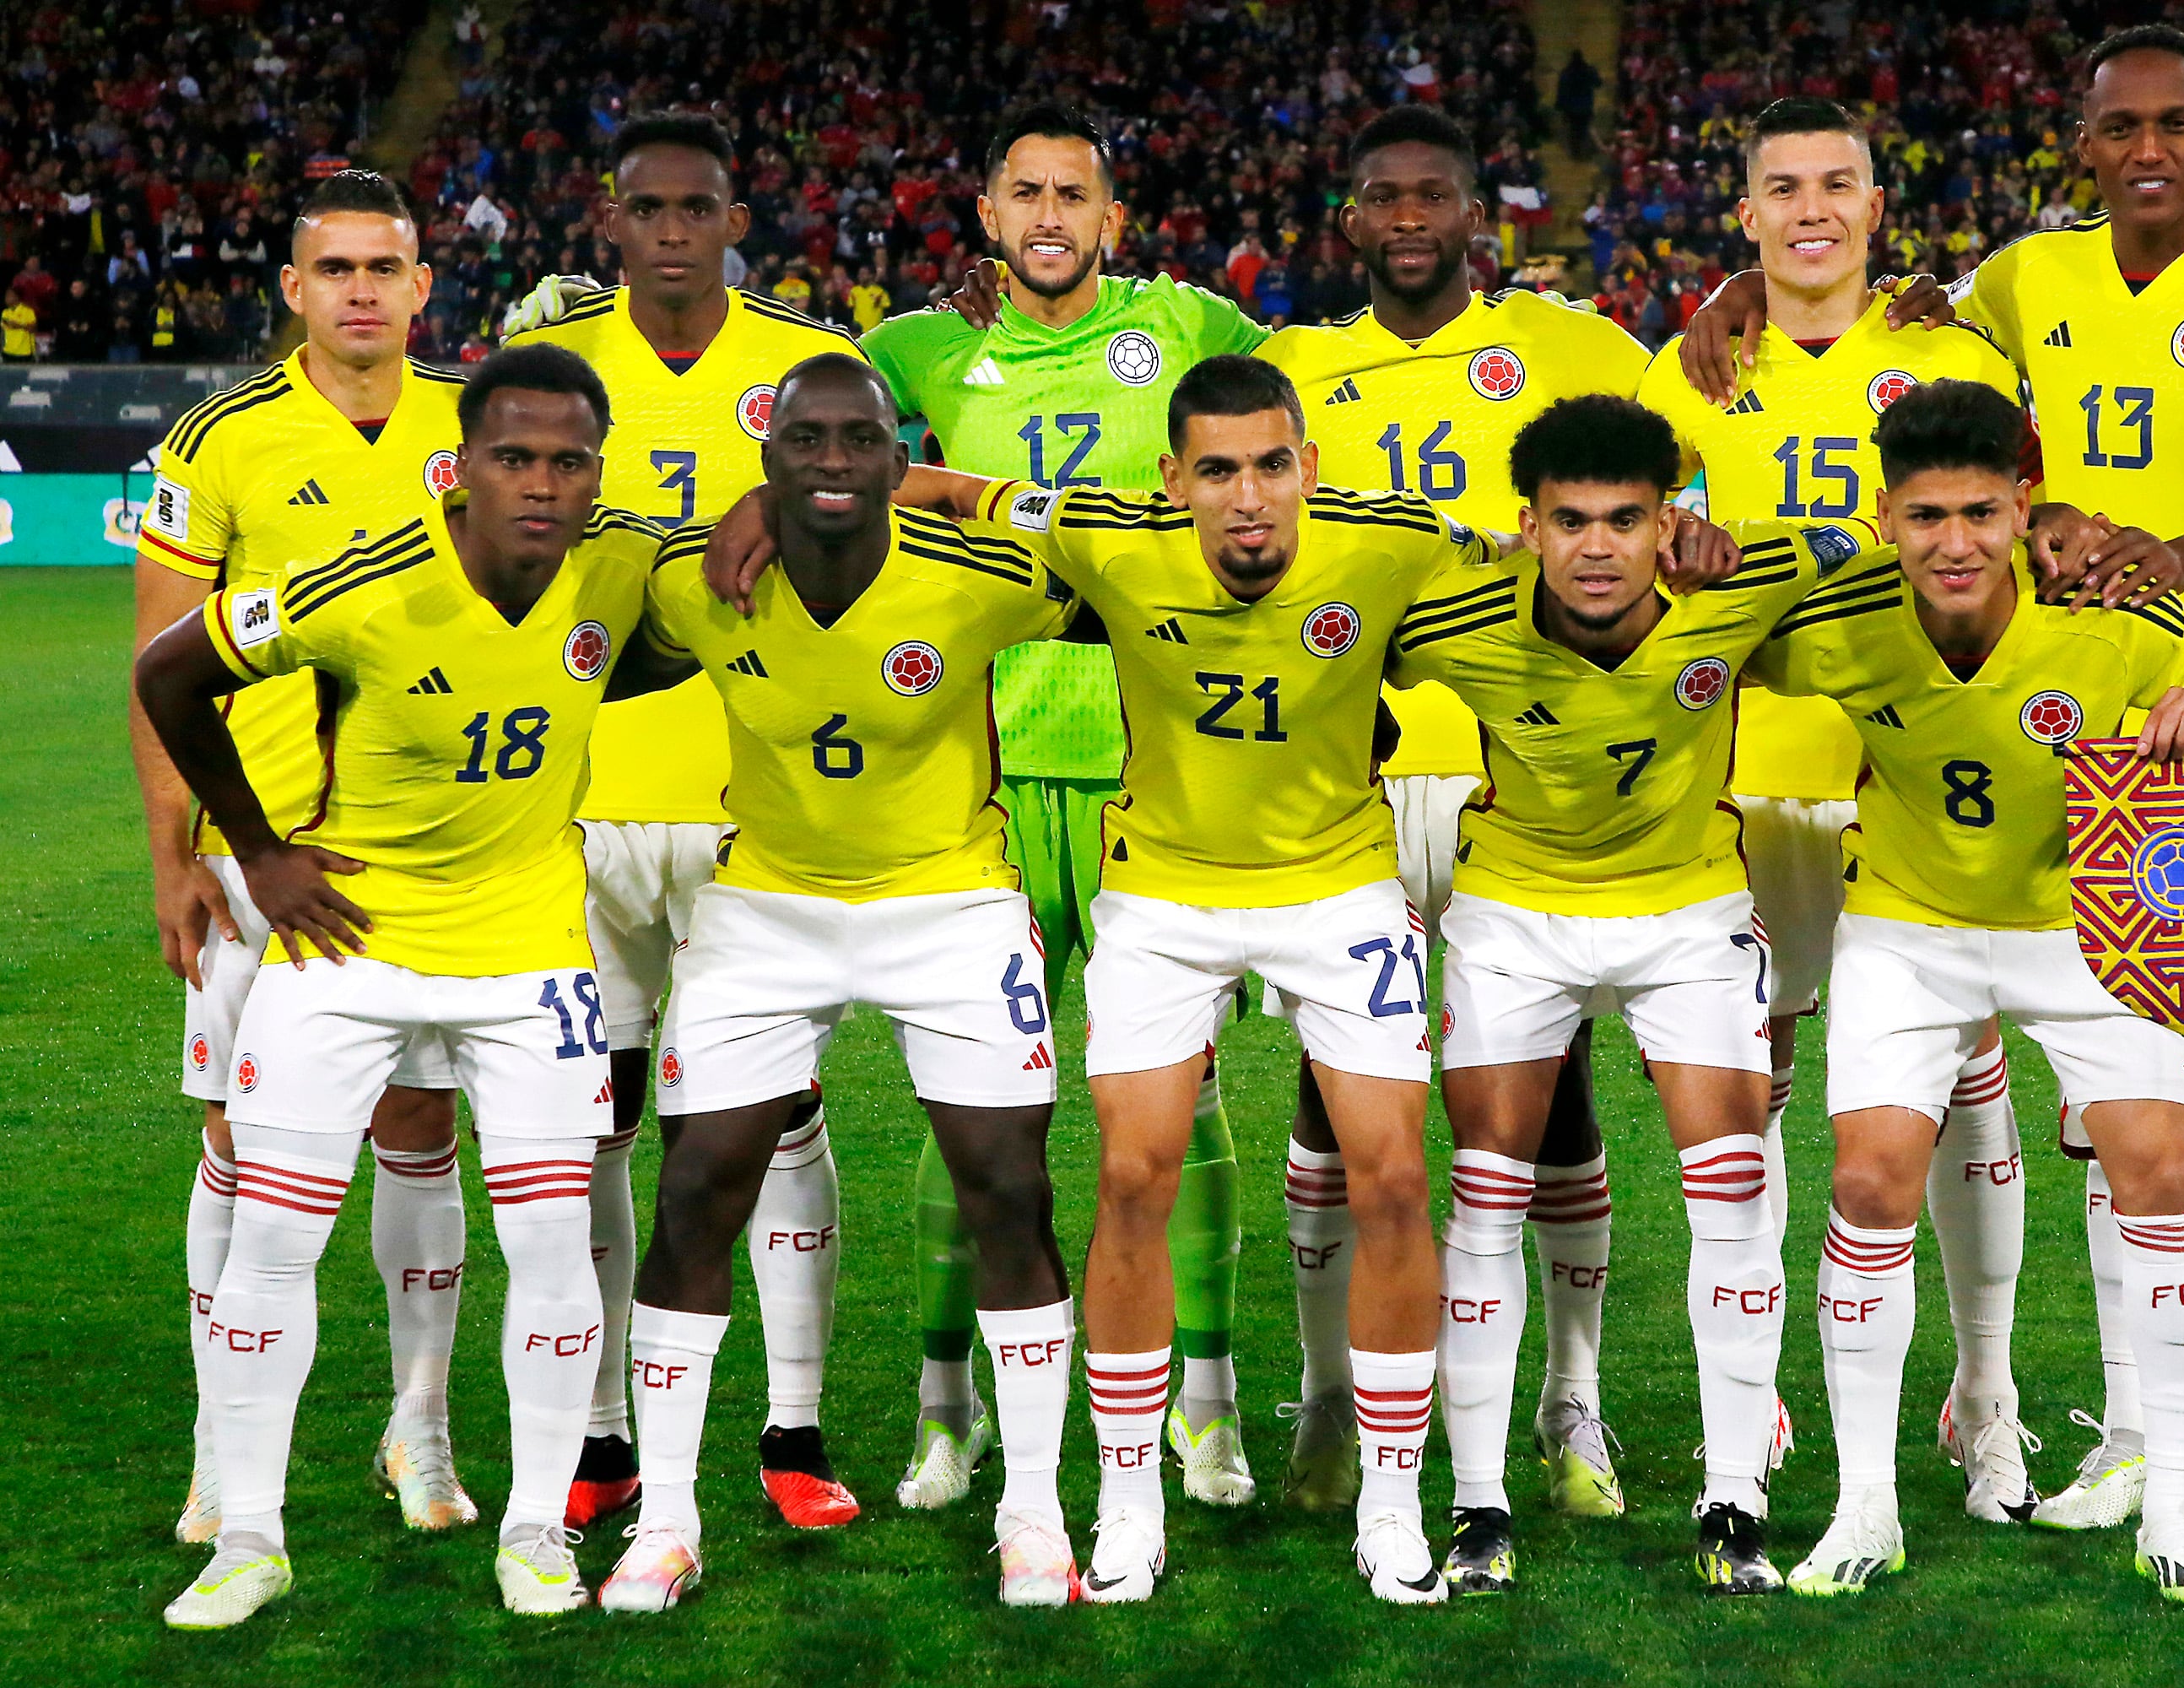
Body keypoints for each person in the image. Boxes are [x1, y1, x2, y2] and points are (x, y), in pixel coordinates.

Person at [1677, 24, 2184, 1565]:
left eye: (2176, 124)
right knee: (2126, 1112)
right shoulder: (2027, 281)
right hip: (2096, 749)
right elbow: (1859, 294)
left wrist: (2171, 559)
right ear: (2083, 144)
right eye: (2119, 128)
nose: (2148, 149)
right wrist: (1736, 289)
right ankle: (2123, 1436)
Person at [721, 355, 1495, 1603]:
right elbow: (956, 490)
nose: (1251, 499)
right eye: (1220, 472)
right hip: (1165, 898)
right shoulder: (1106, 533)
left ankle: (1395, 1511)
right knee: (1132, 1173)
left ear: (1309, 465)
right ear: (1173, 481)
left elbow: (1548, 558)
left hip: (1339, 886)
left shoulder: (1396, 540)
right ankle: (1128, 1501)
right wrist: (785, 503)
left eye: (1274, 465)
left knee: (1396, 1175)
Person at [138, 344, 662, 1626]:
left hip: (530, 959)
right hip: (347, 951)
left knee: (552, 1245)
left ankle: (537, 1528)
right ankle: (249, 1536)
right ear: (461, 469)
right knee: (274, 1238)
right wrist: (258, 849)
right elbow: (169, 672)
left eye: (569, 460)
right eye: (514, 458)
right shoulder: (364, 586)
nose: (543, 484)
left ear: (596, 468)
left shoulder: (623, 560)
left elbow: (776, 535)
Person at [1747, 378, 2184, 1603]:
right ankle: (1863, 1507)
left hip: (2081, 925)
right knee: (1871, 1177)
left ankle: (2181, 1513)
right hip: (1909, 926)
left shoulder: (2108, 613)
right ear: (1885, 516)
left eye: (1981, 513)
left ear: (2024, 505)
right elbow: (1712, 631)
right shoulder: (1842, 621)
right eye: (1926, 515)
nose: (1955, 543)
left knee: (2165, 1170)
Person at [594, 356, 1080, 1611]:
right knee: (698, 1184)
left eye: (858, 441)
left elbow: (1113, 568)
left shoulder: (977, 579)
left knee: (1008, 1189)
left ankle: (1035, 1515)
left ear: (892, 454)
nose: (829, 462)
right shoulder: (696, 586)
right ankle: (671, 1519)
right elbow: (583, 628)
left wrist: (946, 485)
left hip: (950, 900)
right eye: (802, 440)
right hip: (765, 907)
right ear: (766, 457)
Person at [1635, 96, 2049, 1523]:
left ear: (1879, 209)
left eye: (1839, 187)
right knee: (1749, 1096)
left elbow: (2025, 537)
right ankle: (1751, 1399)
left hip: (1921, 771)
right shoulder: (1685, 371)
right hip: (1739, 773)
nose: (1811, 210)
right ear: (1742, 217)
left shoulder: (1951, 351)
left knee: (1962, 1082)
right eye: (1781, 191)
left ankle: (1984, 1397)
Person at [854, 104, 1268, 1511]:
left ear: (1111, 214)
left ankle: (1205, 1411)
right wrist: (975, 491)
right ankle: (945, 1411)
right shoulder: (918, 349)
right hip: (981, 761)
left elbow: (1292, 429)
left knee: (1183, 1100)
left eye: (1071, 193)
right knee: (975, 1114)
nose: (1047, 215)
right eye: (1021, 191)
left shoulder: (1197, 326)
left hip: (1164, 761)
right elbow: (810, 452)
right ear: (983, 214)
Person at [1387, 393, 1862, 1594]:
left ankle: (1733, 1500)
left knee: (1736, 1185)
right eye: (1570, 522)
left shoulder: (1739, 582)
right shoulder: (1454, 612)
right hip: (1513, 918)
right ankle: (1480, 1503)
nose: (1597, 547)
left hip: (1689, 913)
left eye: (1625, 521)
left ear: (1668, 524)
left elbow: (1866, 542)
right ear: (1528, 528)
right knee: (1487, 1195)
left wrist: (1739, 533)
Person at [1256, 101, 1655, 1521]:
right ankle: (1319, 1401)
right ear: (1351, 218)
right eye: (1384, 195)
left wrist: (1734, 299)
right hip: (1343, 771)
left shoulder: (1576, 346)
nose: (1411, 216)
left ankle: (1573, 1405)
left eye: (1437, 194)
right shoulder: (1292, 370)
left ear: (1479, 215)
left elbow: (1692, 452)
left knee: (1550, 1097)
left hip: (1521, 770)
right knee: (1330, 1083)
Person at [504, 111, 874, 1532]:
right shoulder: (550, 371)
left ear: (735, 218)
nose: (671, 229)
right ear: (610, 219)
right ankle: (603, 1438)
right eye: (645, 207)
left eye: (696, 206)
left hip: (748, 805)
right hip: (582, 806)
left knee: (772, 1123)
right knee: (592, 1125)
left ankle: (792, 1426)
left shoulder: (799, 367)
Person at [130, 169, 474, 1546]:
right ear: (292, 288)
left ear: (423, 285)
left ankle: (422, 1433)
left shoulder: (476, 425)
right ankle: (224, 1450)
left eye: (385, 269)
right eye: (335, 270)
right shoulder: (217, 441)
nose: (362, 293)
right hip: (263, 854)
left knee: (420, 1129)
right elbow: (162, 666)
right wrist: (176, 860)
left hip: (436, 855)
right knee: (238, 1142)